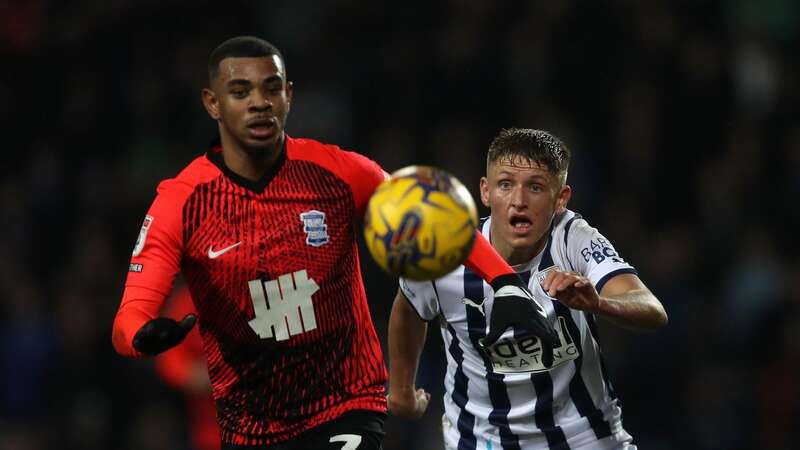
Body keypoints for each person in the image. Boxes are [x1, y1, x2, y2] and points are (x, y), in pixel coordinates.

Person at [112, 37, 559, 450]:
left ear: (289, 94)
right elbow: (130, 315)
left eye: (271, 89)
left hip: (346, 402)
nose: (259, 103)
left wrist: (505, 282)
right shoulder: (181, 202)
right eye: (241, 92)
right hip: (249, 426)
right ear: (213, 103)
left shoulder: (339, 172)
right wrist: (140, 337)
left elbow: (436, 219)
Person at [387, 128, 668, 450]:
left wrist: (599, 304)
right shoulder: (443, 255)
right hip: (481, 440)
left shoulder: (573, 238)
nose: (518, 202)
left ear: (560, 199)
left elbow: (652, 310)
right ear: (485, 191)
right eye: (506, 184)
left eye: (535, 187)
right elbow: (409, 307)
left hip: (585, 437)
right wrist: (401, 390)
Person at [154, 284, 220, 450]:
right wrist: (197, 375)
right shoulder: (185, 303)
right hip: (204, 431)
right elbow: (168, 359)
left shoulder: (255, 293)